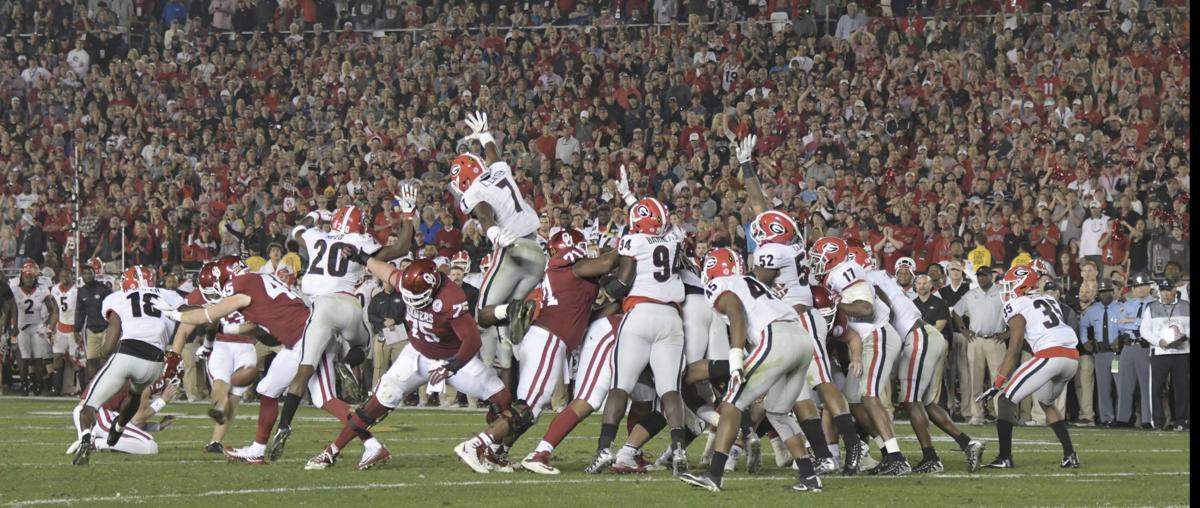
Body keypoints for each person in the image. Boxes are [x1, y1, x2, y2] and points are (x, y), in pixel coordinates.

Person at [163, 256, 385, 467]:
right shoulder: (260, 279)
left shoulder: (241, 285)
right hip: (300, 338)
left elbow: (206, 316)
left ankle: (372, 445)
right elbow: (256, 324)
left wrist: (173, 313)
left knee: (324, 398)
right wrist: (226, 327)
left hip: (308, 337)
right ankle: (257, 450)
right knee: (267, 388)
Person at [303, 258, 511, 472]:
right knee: (375, 404)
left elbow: (472, 340)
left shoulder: (451, 298)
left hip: (450, 358)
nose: (413, 302)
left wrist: (453, 366)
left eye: (418, 298)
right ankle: (331, 451)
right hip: (415, 354)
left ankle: (494, 452)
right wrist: (362, 257)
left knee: (502, 399)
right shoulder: (408, 280)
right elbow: (383, 269)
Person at [468, 228, 618, 471]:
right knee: (526, 409)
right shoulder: (566, 264)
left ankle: (497, 451)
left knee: (531, 409)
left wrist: (619, 302)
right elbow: (608, 261)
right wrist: (631, 245)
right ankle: (477, 444)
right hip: (548, 339)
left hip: (547, 339)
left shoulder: (570, 278)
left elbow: (587, 318)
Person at [274, 198, 415, 457]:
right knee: (364, 345)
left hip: (319, 308)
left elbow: (294, 232)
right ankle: (349, 363)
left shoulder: (317, 237)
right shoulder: (362, 242)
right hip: (348, 304)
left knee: (303, 372)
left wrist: (316, 214)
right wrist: (407, 213)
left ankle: (283, 425)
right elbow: (402, 246)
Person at [678, 248, 820, 493]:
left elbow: (736, 311)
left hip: (777, 337)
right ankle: (810, 477)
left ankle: (715, 476)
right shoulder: (750, 282)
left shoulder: (718, 285)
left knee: (732, 403)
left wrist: (735, 359)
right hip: (802, 340)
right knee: (778, 412)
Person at [455, 111, 545, 391]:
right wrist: (484, 135)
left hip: (512, 246)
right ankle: (517, 342)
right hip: (537, 251)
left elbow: (483, 211)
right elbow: (494, 154)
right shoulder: (499, 171)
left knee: (483, 312)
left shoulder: (472, 192)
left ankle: (516, 313)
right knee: (507, 319)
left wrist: (491, 230)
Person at [809, 236, 909, 475]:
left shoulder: (844, 271)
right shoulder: (831, 277)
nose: (815, 264)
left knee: (869, 395)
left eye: (818, 259)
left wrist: (836, 306)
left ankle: (897, 458)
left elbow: (866, 308)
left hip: (875, 336)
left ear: (832, 257)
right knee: (852, 402)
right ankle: (887, 452)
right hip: (864, 342)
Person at [72, 266, 183, 465]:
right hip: (152, 361)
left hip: (126, 357)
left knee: (90, 405)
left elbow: (110, 342)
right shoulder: (168, 295)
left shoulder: (118, 298)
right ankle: (108, 435)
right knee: (137, 403)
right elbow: (188, 317)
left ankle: (87, 439)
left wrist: (107, 352)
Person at [979, 266, 1080, 469]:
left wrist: (997, 383)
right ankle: (1070, 455)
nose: (1006, 291)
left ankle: (1004, 457)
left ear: (1022, 285)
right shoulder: (1050, 299)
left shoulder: (1017, 304)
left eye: (1010, 285)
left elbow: (1015, 347)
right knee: (1046, 402)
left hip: (1049, 356)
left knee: (1006, 400)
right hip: (1071, 358)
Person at [953, 265, 1008, 425]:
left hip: (996, 339)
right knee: (974, 379)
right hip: (975, 340)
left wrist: (1008, 333)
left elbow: (1015, 313)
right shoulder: (971, 294)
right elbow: (956, 312)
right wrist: (963, 329)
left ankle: (1002, 414)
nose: (981, 278)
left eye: (984, 275)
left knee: (999, 379)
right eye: (979, 276)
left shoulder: (1002, 293)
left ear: (991, 276)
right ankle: (977, 414)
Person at [1141, 281, 1189, 431]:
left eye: (1169, 290)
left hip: (1181, 352)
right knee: (1156, 388)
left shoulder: (1186, 306)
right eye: (1163, 291)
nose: (1166, 294)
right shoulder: (1151, 308)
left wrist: (1184, 336)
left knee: (1181, 388)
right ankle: (1158, 421)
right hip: (1160, 352)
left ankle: (1181, 420)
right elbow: (1144, 330)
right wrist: (1158, 341)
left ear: (1175, 290)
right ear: (1159, 291)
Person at [1113, 274, 1155, 428]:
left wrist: (1132, 321)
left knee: (1146, 385)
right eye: (1137, 286)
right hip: (1128, 346)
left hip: (1145, 347)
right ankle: (1123, 419)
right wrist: (1138, 322)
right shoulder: (1129, 304)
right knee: (1124, 385)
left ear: (1149, 287)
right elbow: (1120, 324)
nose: (1140, 289)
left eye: (1143, 285)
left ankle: (1147, 420)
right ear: (1133, 289)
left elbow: (1148, 326)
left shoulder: (1155, 304)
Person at [1079, 279, 1121, 426]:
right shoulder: (1092, 310)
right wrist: (1085, 341)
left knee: (1120, 386)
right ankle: (1106, 418)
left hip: (1117, 354)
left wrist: (1120, 339)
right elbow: (1083, 326)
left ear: (1113, 292)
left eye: (1107, 292)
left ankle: (1122, 417)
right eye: (1101, 292)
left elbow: (1128, 325)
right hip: (1100, 353)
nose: (1104, 295)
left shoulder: (1121, 308)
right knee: (1103, 387)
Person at [10, 260, 56, 395]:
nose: (28, 279)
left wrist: (47, 324)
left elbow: (52, 310)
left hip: (37, 326)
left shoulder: (42, 290)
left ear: (35, 277)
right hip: (22, 326)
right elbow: (11, 308)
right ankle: (24, 385)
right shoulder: (15, 289)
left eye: (31, 277)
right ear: (21, 278)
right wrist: (13, 324)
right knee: (24, 358)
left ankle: (38, 385)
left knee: (38, 358)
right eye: (26, 277)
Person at [75, 262, 114, 380]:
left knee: (105, 358)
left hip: (106, 328)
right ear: (82, 276)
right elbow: (80, 311)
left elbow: (112, 308)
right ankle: (91, 386)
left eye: (90, 273)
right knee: (91, 360)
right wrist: (76, 330)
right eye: (85, 274)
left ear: (94, 274)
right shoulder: (81, 291)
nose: (87, 276)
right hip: (91, 329)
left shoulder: (104, 289)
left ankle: (106, 384)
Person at [49, 266, 79, 396]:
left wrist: (79, 328)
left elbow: (80, 311)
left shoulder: (77, 291)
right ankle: (55, 389)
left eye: (67, 276)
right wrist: (50, 328)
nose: (64, 278)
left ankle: (80, 388)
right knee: (57, 357)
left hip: (73, 328)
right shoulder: (55, 289)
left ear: (72, 276)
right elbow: (56, 310)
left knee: (75, 359)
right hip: (61, 328)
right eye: (62, 276)